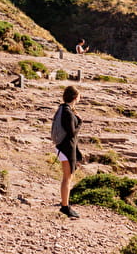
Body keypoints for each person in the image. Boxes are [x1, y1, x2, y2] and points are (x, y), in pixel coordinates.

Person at [54, 86, 83, 218]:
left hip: (62, 146)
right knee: (67, 177)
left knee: (67, 177)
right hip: (66, 147)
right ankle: (65, 207)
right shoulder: (67, 112)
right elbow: (72, 133)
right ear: (75, 97)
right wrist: (80, 123)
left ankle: (65, 203)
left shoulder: (62, 108)